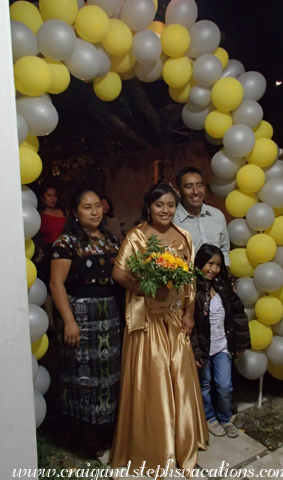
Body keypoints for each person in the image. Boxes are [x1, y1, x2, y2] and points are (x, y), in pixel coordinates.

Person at [110, 183, 208, 474]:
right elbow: (119, 273)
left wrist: (190, 313)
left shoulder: (184, 236)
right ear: (149, 207)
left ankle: (183, 443)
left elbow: (190, 278)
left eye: (170, 205)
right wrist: (145, 287)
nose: (165, 211)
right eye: (159, 205)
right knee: (152, 381)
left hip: (176, 318)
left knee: (179, 376)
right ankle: (154, 447)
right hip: (148, 320)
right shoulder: (137, 236)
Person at [50, 188, 122, 456]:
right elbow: (56, 283)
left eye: (97, 206)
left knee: (108, 375)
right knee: (83, 377)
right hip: (81, 314)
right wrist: (69, 321)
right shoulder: (67, 242)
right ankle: (84, 437)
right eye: (87, 207)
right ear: (75, 212)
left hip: (110, 314)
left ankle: (107, 431)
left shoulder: (112, 240)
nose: (94, 212)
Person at [191, 244, 251, 438]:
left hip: (223, 346)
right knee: (205, 384)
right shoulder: (192, 289)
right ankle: (209, 418)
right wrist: (196, 352)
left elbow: (238, 315)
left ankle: (225, 417)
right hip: (205, 348)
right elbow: (190, 326)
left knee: (225, 385)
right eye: (209, 264)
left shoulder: (225, 287)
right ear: (199, 264)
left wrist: (240, 343)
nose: (213, 269)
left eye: (218, 265)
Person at [173, 167, 230, 265]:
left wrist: (226, 273)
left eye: (199, 185)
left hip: (216, 277)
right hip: (187, 278)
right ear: (178, 191)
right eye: (189, 186)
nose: (195, 191)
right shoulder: (173, 219)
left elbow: (224, 249)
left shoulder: (217, 215)